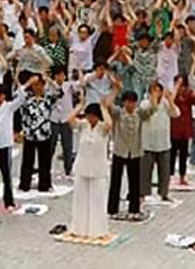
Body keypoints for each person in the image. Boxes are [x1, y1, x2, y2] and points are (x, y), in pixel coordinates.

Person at [0, 78, 30, 207]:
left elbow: (22, 98)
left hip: (3, 144)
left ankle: (8, 200)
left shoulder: (9, 107)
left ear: (5, 96)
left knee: (6, 174)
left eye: (1, 95)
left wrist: (19, 82)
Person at [68, 97, 113, 241]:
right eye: (88, 116)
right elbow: (70, 120)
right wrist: (79, 106)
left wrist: (104, 108)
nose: (89, 118)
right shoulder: (83, 125)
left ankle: (97, 230)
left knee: (97, 200)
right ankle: (79, 228)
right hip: (82, 166)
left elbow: (109, 124)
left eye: (92, 116)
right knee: (80, 199)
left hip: (98, 168)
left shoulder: (102, 128)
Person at [140, 80, 179, 202]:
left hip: (164, 143)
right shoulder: (144, 103)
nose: (156, 93)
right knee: (145, 171)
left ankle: (164, 193)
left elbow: (176, 114)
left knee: (165, 171)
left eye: (158, 90)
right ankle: (143, 193)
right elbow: (144, 114)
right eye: (154, 90)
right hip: (148, 143)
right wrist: (153, 102)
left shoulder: (166, 103)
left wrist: (170, 100)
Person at [108, 90, 145, 220]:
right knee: (115, 180)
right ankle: (112, 209)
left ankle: (134, 209)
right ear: (124, 102)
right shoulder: (118, 113)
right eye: (128, 102)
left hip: (135, 151)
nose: (131, 105)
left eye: (133, 102)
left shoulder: (139, 113)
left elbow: (152, 109)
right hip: (120, 150)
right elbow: (108, 105)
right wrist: (115, 89)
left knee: (135, 181)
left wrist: (154, 94)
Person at [18, 74, 58, 193]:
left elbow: (59, 92)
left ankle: (45, 184)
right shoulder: (26, 98)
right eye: (35, 85)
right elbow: (17, 93)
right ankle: (25, 184)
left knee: (45, 161)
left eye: (40, 84)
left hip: (44, 133)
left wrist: (48, 79)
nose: (37, 87)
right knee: (27, 161)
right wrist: (29, 82)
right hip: (30, 133)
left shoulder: (48, 98)